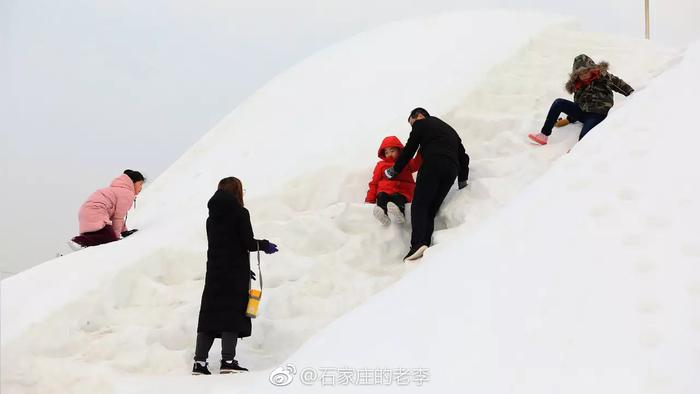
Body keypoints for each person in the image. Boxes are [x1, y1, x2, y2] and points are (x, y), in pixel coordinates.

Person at [192, 177, 278, 375]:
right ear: (237, 191)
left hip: (214, 271)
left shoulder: (211, 218)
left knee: (209, 316)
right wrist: (265, 245)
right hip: (234, 274)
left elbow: (222, 245)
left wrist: (243, 267)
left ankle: (200, 363)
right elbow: (246, 242)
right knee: (232, 315)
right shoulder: (240, 213)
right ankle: (228, 361)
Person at [384, 108, 470, 262]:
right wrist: (462, 181)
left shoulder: (421, 124)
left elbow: (410, 149)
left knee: (419, 204)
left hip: (433, 163)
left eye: (411, 123)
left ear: (418, 116)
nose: (413, 127)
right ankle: (425, 246)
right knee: (431, 208)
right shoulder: (451, 130)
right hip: (451, 170)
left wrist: (394, 170)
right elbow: (464, 157)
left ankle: (418, 244)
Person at [528, 54, 634, 145]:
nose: (584, 75)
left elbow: (618, 84)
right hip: (583, 114)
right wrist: (569, 119)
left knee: (584, 136)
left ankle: (576, 155)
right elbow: (578, 104)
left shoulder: (602, 77)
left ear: (591, 69)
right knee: (558, 103)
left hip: (598, 114)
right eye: (580, 73)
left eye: (586, 71)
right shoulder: (577, 85)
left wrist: (634, 94)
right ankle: (543, 135)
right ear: (576, 75)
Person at [69, 169, 145, 249]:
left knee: (99, 235)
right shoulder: (127, 193)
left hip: (86, 212)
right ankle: (79, 241)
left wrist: (124, 231)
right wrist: (115, 238)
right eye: (140, 184)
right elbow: (118, 217)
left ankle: (82, 243)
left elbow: (118, 215)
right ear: (132, 182)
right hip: (96, 211)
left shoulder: (117, 190)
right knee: (109, 237)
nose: (141, 187)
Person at [365, 136, 422, 225]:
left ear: (399, 150)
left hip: (402, 191)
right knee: (381, 196)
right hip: (385, 191)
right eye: (386, 152)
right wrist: (370, 199)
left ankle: (399, 213)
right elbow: (374, 183)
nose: (389, 154)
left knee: (397, 197)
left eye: (392, 151)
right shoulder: (381, 165)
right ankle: (382, 214)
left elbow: (416, 164)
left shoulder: (405, 162)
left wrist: (421, 151)